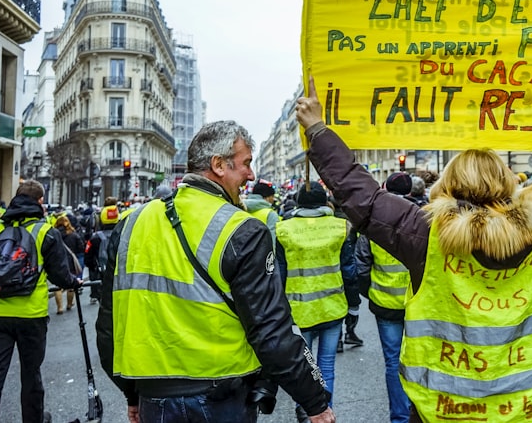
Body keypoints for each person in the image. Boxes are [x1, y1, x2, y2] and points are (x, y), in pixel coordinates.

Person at [295, 73, 532, 423]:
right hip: (530, 410)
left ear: (450, 183)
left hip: (443, 412)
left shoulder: (425, 235)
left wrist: (318, 130)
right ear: (507, 181)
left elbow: (363, 196)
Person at [95, 121, 334, 423]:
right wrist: (315, 402)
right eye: (246, 163)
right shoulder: (242, 228)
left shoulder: (131, 223)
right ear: (219, 165)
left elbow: (109, 324)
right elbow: (271, 330)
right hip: (221, 395)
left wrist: (132, 392)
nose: (251, 174)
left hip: (153, 395)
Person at [0, 179, 79, 423]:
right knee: (31, 375)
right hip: (31, 314)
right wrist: (74, 282)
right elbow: (60, 275)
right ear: (40, 202)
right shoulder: (44, 230)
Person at [276, 183, 356, 422]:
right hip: (332, 307)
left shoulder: (283, 230)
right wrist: (354, 306)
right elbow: (349, 270)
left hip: (298, 311)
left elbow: (279, 275)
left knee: (304, 369)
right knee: (326, 366)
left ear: (298, 203)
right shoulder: (340, 227)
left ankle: (306, 413)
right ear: (324, 203)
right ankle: (325, 411)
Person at [355, 190, 416, 423]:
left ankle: (400, 417)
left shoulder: (373, 227)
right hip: (416, 304)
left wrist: (369, 294)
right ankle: (417, 412)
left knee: (393, 362)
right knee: (419, 359)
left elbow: (361, 266)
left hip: (384, 303)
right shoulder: (423, 222)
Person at [84, 203, 118, 305]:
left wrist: (93, 268)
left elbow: (88, 258)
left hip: (100, 275)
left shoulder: (95, 238)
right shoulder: (123, 234)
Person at [53, 216, 85, 314]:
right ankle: (69, 304)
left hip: (57, 261)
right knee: (71, 284)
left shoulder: (54, 234)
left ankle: (59, 307)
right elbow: (81, 248)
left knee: (57, 285)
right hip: (70, 261)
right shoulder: (74, 235)